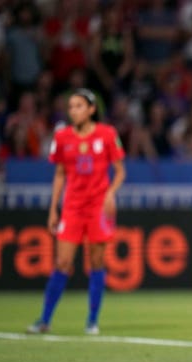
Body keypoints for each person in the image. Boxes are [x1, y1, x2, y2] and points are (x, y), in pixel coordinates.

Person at [26, 88, 126, 335]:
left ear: (92, 109)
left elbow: (120, 171)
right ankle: (45, 320)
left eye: (79, 106)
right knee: (62, 262)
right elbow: (59, 174)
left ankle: (92, 320)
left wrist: (111, 193)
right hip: (72, 207)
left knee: (97, 261)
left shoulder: (107, 134)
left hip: (97, 207)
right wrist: (53, 210)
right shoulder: (62, 137)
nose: (74, 111)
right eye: (71, 106)